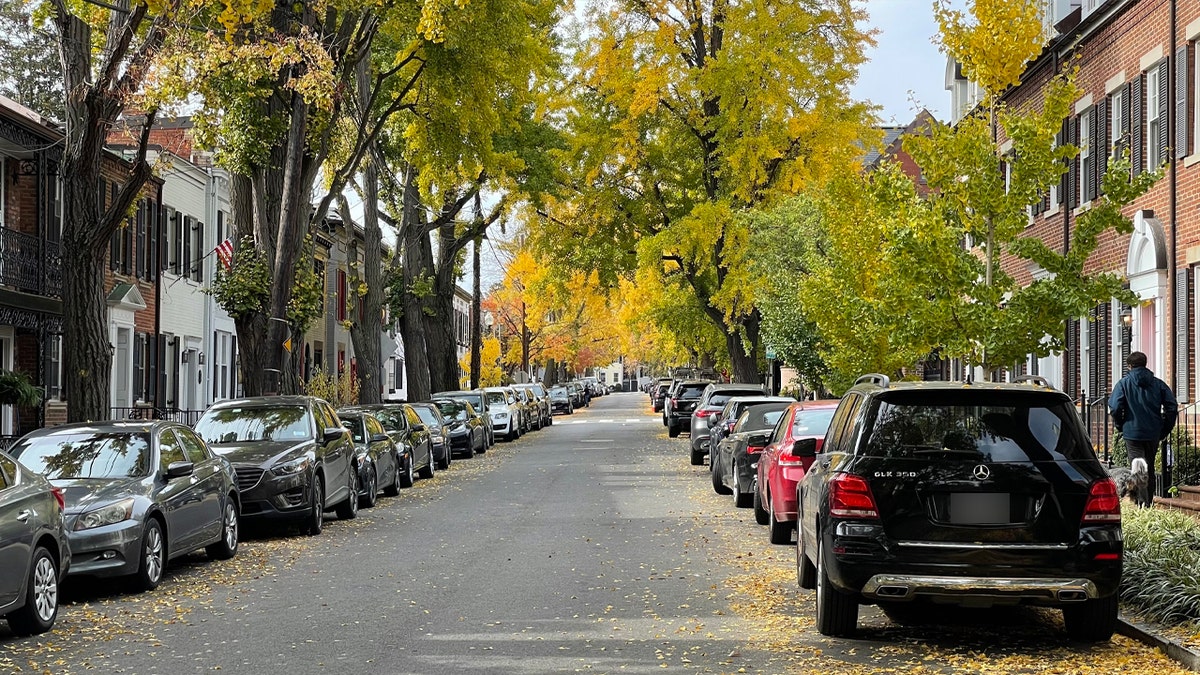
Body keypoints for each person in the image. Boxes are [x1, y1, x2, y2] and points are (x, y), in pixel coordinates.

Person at [1109, 351, 1179, 507]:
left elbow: (1114, 407)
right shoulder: (1158, 384)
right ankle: (1148, 503)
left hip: (1132, 433)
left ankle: (1142, 504)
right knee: (1150, 468)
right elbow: (1172, 406)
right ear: (1145, 364)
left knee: (1138, 468)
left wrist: (1121, 424)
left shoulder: (1123, 384)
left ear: (1129, 365)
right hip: (1153, 432)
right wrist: (1164, 428)